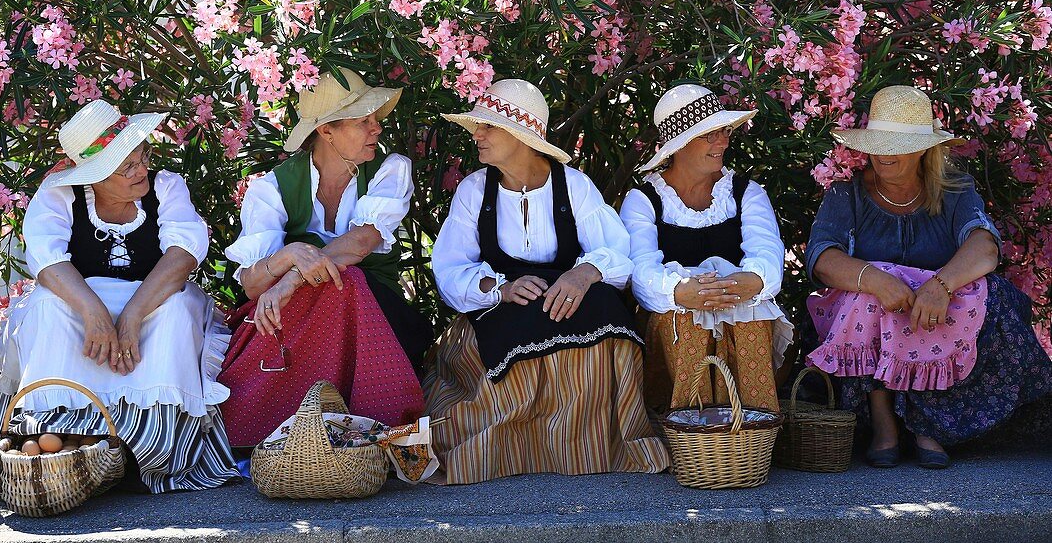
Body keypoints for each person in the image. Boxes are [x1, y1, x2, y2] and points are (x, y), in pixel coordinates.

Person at [0, 100, 238, 497]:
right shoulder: (61, 196)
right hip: (81, 302)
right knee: (46, 308)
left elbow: (183, 255)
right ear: (95, 175)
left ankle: (154, 455)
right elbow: (47, 261)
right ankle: (58, 444)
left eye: (143, 156)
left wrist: (134, 315)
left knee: (179, 310)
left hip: (153, 298)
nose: (141, 170)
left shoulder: (166, 186)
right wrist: (94, 313)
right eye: (127, 167)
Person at [425, 79, 669, 484]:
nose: (477, 135)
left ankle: (585, 445)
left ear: (520, 137)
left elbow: (619, 254)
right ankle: (520, 447)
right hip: (504, 303)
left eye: (488, 127)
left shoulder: (572, 185)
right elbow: (450, 267)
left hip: (569, 296)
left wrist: (583, 274)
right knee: (515, 324)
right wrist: (496, 289)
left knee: (606, 313)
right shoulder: (473, 190)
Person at [806, 85, 1052, 469]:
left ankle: (929, 422)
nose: (885, 155)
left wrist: (939, 286)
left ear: (923, 149)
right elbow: (823, 258)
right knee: (865, 296)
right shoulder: (846, 194)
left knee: (978, 294)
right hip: (872, 314)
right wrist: (877, 279)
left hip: (937, 312)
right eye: (880, 143)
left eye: (899, 144)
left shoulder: (954, 190)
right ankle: (883, 417)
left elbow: (984, 246)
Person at [219, 68, 431, 448]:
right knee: (334, 284)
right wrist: (289, 254)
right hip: (297, 324)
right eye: (363, 121)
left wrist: (291, 278)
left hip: (374, 319)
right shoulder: (272, 187)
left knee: (346, 280)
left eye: (375, 120)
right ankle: (277, 433)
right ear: (326, 130)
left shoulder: (389, 169)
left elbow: (361, 243)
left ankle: (369, 426)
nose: (376, 129)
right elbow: (251, 284)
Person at [620, 84, 792, 414]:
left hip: (737, 301)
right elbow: (641, 272)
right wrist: (681, 292)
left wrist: (744, 286)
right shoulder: (643, 201)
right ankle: (687, 430)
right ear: (679, 144)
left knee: (751, 316)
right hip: (672, 316)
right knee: (689, 323)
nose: (724, 142)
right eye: (709, 135)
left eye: (724, 132)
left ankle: (749, 429)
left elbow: (767, 254)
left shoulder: (746, 193)